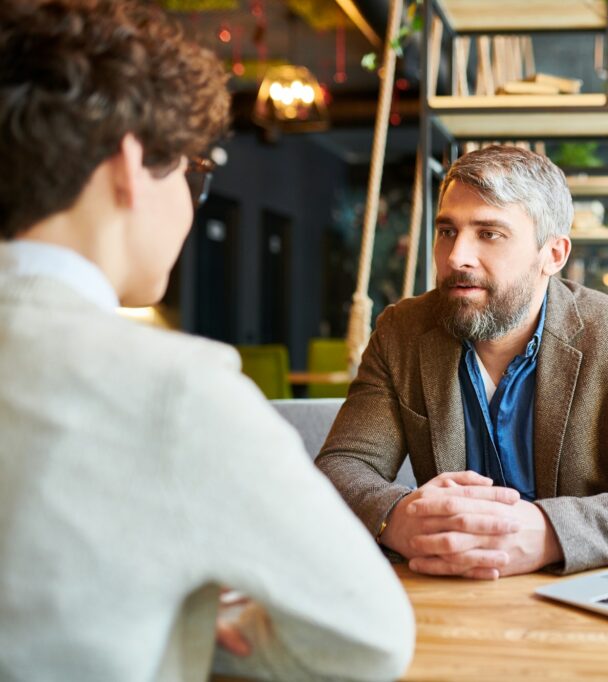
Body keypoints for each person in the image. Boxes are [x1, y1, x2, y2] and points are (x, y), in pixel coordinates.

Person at [0, 1, 413, 680]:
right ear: (131, 163)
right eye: (194, 171)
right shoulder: (172, 387)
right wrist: (207, 627)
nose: (194, 201)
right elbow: (367, 637)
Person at [317, 145, 608, 579]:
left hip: (580, 600)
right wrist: (395, 516)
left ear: (553, 254)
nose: (457, 257)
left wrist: (548, 532)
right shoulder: (402, 332)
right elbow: (340, 467)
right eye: (447, 231)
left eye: (489, 233)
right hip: (445, 597)